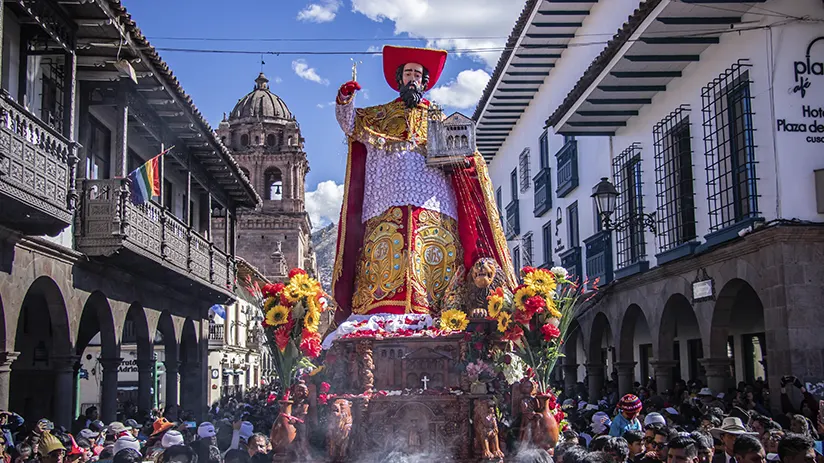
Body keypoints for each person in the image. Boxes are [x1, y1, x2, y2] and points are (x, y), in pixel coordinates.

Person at [331, 45, 516, 322]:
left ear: (425, 81)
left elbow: (470, 157)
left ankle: (440, 313)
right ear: (400, 78)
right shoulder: (378, 117)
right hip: (385, 203)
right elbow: (350, 125)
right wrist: (345, 99)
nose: (413, 78)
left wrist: (467, 161)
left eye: (418, 73)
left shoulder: (441, 122)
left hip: (435, 208)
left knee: (433, 258)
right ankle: (381, 313)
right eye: (408, 72)